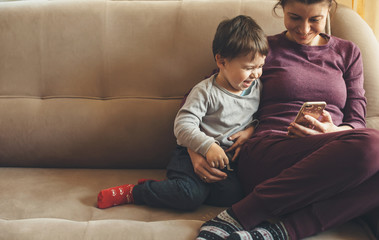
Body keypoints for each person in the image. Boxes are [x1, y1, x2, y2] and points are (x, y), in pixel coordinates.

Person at [195, 0, 379, 239]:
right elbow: (204, 94)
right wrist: (197, 147)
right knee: (373, 144)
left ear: (328, 12)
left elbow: (357, 119)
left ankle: (278, 233)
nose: (304, 29)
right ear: (281, 9)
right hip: (269, 153)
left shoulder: (348, 52)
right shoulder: (264, 48)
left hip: (331, 161)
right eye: (294, 17)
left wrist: (334, 131)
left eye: (315, 19)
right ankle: (241, 215)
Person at [96, 15, 269, 210]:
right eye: (248, 68)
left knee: (233, 196)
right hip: (190, 154)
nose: (256, 74)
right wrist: (207, 146)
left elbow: (262, 116)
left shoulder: (257, 87)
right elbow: (182, 125)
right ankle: (135, 192)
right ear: (221, 61)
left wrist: (251, 129)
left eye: (260, 66)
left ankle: (167, 190)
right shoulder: (205, 91)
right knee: (188, 197)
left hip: (223, 161)